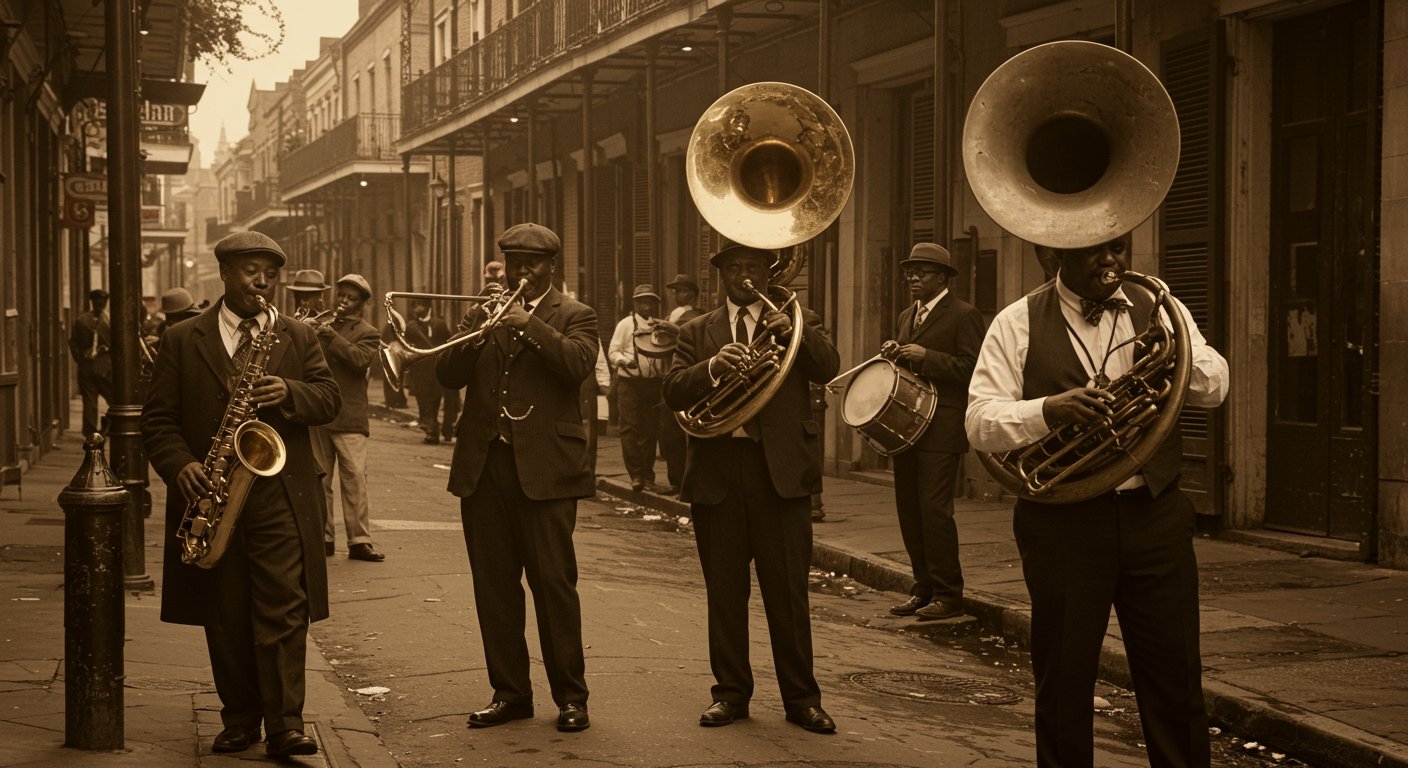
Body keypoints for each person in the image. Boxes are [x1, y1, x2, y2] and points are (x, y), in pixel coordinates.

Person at [965, 233, 1229, 767]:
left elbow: (1214, 387)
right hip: (1064, 525)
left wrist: (1173, 353)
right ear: (1053, 255)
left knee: (1176, 680)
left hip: (1155, 515)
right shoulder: (1016, 321)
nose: (1110, 260)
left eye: (1119, 247)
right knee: (1064, 682)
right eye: (1093, 250)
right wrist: (1047, 410)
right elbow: (979, 421)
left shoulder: (1159, 305)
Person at [141, 231, 340, 758]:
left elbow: (329, 398)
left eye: (270, 274)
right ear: (225, 274)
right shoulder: (181, 338)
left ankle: (285, 724)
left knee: (284, 607)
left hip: (279, 493)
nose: (262, 282)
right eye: (252, 272)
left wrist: (292, 391)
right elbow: (157, 420)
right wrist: (180, 465)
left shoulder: (297, 335)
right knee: (224, 611)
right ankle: (240, 718)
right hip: (213, 492)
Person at [661, 243, 841, 734]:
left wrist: (795, 334)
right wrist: (713, 367)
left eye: (754, 267)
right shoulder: (697, 330)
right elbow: (672, 390)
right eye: (735, 268)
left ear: (768, 273)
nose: (745, 276)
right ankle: (730, 694)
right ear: (720, 276)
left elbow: (828, 366)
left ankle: (802, 700)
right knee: (725, 593)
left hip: (779, 475)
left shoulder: (798, 318)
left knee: (788, 595)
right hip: (718, 474)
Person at [435, 223, 597, 734]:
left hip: (548, 471)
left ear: (551, 267)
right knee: (494, 589)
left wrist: (527, 324)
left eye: (532, 263)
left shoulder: (576, 314)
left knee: (554, 587)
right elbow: (447, 375)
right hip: (485, 469)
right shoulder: (484, 311)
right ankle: (510, 693)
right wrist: (475, 328)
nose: (521, 272)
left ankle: (571, 697)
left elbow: (577, 365)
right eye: (513, 263)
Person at [884, 244, 986, 622]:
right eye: (910, 272)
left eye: (922, 272)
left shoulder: (964, 314)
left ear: (942, 278)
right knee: (910, 511)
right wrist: (895, 351)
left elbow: (974, 368)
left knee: (935, 511)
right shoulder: (905, 315)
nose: (913, 278)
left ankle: (949, 594)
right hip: (906, 427)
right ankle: (923, 589)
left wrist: (928, 358)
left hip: (942, 426)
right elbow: (908, 364)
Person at [310, 274, 386, 562]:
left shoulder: (369, 332)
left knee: (354, 478)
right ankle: (324, 537)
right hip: (320, 413)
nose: (343, 301)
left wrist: (330, 336)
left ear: (362, 303)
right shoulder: (322, 325)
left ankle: (359, 540)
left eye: (350, 298)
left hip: (350, 415)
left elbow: (359, 361)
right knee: (320, 480)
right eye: (341, 295)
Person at [607, 284, 669, 492]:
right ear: (635, 303)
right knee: (630, 428)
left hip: (652, 384)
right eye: (642, 301)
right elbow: (613, 351)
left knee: (650, 429)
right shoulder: (625, 325)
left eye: (650, 301)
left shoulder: (659, 325)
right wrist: (625, 361)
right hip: (629, 384)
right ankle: (635, 474)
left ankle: (648, 474)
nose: (646, 305)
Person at [656, 273, 702, 493]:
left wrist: (670, 328)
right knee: (670, 433)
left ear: (690, 294)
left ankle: (684, 481)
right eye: (675, 291)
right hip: (670, 377)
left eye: (680, 291)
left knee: (681, 433)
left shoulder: (695, 317)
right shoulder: (674, 315)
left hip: (685, 377)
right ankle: (676, 480)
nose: (676, 295)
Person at [402, 297, 461, 445]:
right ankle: (431, 430)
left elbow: (448, 344)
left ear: (428, 307)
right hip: (419, 371)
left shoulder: (439, 324)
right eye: (415, 306)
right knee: (423, 400)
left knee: (435, 399)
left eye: (420, 305)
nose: (417, 309)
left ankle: (437, 428)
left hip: (437, 369)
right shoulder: (410, 326)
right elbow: (406, 346)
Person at [69, 288, 113, 436]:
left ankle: (91, 433)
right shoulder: (108, 321)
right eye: (100, 301)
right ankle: (105, 427)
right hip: (103, 366)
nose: (101, 304)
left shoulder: (82, 320)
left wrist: (81, 358)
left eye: (103, 301)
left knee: (90, 402)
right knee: (113, 400)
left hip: (90, 365)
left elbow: (73, 343)